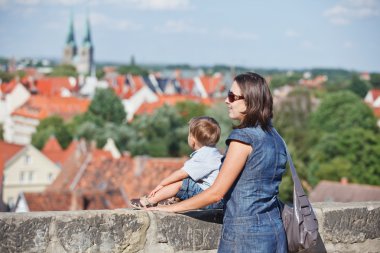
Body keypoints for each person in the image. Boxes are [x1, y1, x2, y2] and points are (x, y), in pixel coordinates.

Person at [149, 72, 288, 252]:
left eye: (232, 96)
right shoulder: (274, 137)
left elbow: (216, 193)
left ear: (250, 101)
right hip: (274, 232)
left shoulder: (243, 139)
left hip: (245, 236)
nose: (226, 100)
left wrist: (171, 209)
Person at [130, 116, 224, 210]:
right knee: (191, 182)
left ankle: (150, 201)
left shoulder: (203, 156)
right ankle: (174, 199)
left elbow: (181, 174)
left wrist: (162, 184)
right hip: (217, 200)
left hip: (209, 199)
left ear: (193, 140)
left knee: (182, 184)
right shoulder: (215, 153)